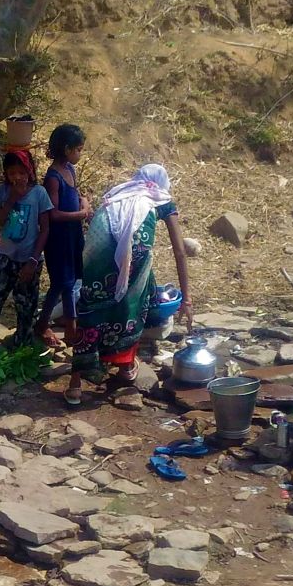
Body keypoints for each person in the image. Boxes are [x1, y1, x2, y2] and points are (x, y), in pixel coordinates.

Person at [67, 163, 191, 407]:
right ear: (161, 183)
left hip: (95, 252)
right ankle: (124, 365)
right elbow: (180, 251)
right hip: (130, 251)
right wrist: (186, 298)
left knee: (92, 306)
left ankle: (75, 385)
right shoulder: (160, 198)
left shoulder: (119, 193)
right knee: (133, 301)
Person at [0, 149, 52, 352]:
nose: (17, 177)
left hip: (29, 260)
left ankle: (22, 345)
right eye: (11, 173)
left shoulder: (39, 193)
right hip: (5, 258)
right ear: (5, 173)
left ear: (30, 171)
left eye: (21, 172)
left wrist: (33, 261)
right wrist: (11, 200)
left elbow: (45, 229)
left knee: (26, 306)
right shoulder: (3, 192)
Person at [39, 124, 90, 349]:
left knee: (61, 284)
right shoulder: (53, 178)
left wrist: (85, 204)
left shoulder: (70, 170)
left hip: (73, 235)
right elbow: (53, 214)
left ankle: (41, 324)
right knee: (66, 284)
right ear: (67, 149)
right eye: (78, 149)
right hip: (58, 239)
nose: (80, 153)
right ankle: (72, 329)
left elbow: (76, 195)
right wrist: (80, 214)